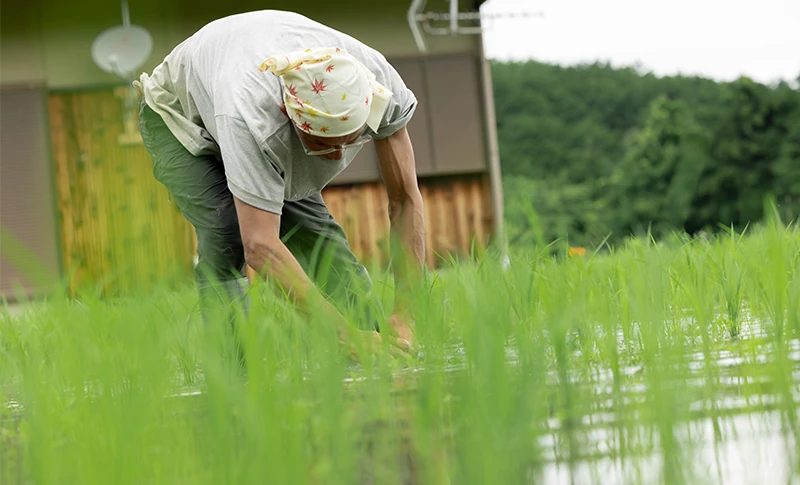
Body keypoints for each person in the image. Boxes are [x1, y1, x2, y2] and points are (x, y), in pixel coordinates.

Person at [134, 10, 424, 359]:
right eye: (321, 144)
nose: (336, 159)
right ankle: (235, 374)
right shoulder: (251, 116)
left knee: (317, 238)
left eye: (350, 141)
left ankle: (384, 351)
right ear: (290, 115)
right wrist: (341, 334)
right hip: (178, 118)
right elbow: (260, 243)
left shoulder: (379, 85)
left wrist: (406, 314)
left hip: (234, 78)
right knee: (226, 235)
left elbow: (406, 200)